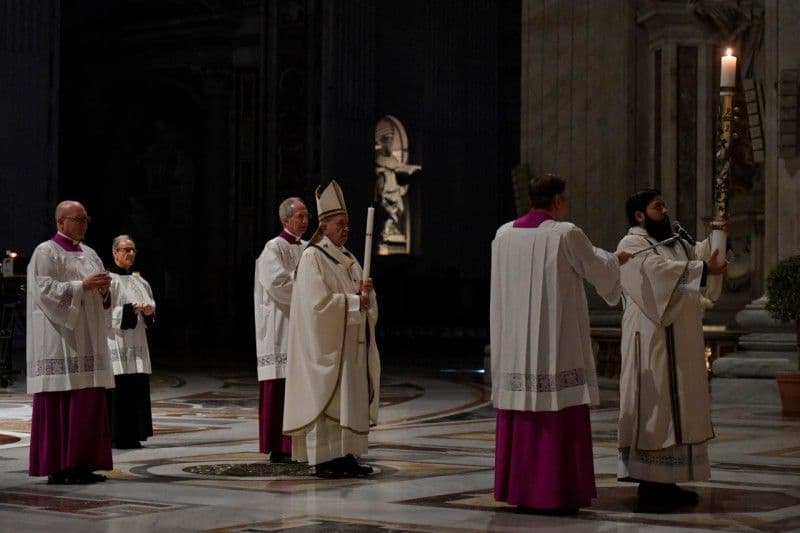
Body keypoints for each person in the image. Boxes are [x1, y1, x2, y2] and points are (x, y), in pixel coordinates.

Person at [490, 174, 630, 512]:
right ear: (557, 201)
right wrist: (618, 260)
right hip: (555, 343)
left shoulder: (503, 234)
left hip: (514, 347)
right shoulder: (566, 233)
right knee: (557, 408)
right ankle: (555, 492)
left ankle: (522, 490)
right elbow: (597, 267)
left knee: (522, 409)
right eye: (565, 199)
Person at [616, 189, 726, 508]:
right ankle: (650, 484)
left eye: (664, 205)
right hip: (650, 335)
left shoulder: (674, 241)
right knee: (656, 403)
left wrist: (718, 232)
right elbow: (656, 274)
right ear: (639, 215)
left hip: (680, 334)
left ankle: (670, 480)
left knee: (678, 401)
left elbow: (699, 257)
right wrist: (704, 269)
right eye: (657, 206)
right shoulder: (633, 243)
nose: (665, 210)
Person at [283, 180, 381, 479]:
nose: (346, 229)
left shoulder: (349, 259)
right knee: (332, 398)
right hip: (329, 346)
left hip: (350, 344)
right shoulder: (314, 257)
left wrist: (367, 295)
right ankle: (326, 459)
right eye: (340, 224)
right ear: (324, 227)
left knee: (349, 400)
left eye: (348, 224)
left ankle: (346, 455)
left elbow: (364, 300)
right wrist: (354, 301)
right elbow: (316, 306)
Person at [26, 200, 115, 484]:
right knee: (63, 398)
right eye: (78, 218)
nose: (84, 223)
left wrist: (103, 291)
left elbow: (103, 296)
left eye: (86, 218)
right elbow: (44, 290)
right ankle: (60, 466)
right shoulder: (46, 251)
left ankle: (83, 463)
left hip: (88, 338)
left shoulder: (90, 253)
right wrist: (82, 286)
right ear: (61, 222)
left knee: (87, 400)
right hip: (61, 336)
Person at [254, 197, 309, 464]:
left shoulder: (310, 248)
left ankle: (301, 443)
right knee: (280, 384)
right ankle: (279, 445)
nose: (305, 221)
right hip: (281, 326)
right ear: (286, 220)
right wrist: (308, 286)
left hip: (304, 325)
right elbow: (277, 283)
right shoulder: (272, 248)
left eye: (307, 215)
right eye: (299, 216)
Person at [106, 234, 155, 449]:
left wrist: (149, 311)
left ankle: (135, 434)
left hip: (136, 341)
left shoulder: (140, 280)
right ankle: (116, 436)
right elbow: (103, 312)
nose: (131, 254)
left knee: (136, 386)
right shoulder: (107, 280)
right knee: (119, 389)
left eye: (133, 250)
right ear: (115, 252)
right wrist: (129, 310)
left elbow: (151, 307)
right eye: (126, 250)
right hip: (116, 340)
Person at [374, 131, 421, 243]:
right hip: (385, 190)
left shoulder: (393, 159)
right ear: (384, 144)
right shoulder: (379, 158)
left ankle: (388, 230)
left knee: (401, 209)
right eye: (388, 143)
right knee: (387, 212)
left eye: (391, 143)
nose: (390, 145)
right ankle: (386, 232)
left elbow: (400, 166)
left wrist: (413, 168)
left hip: (394, 188)